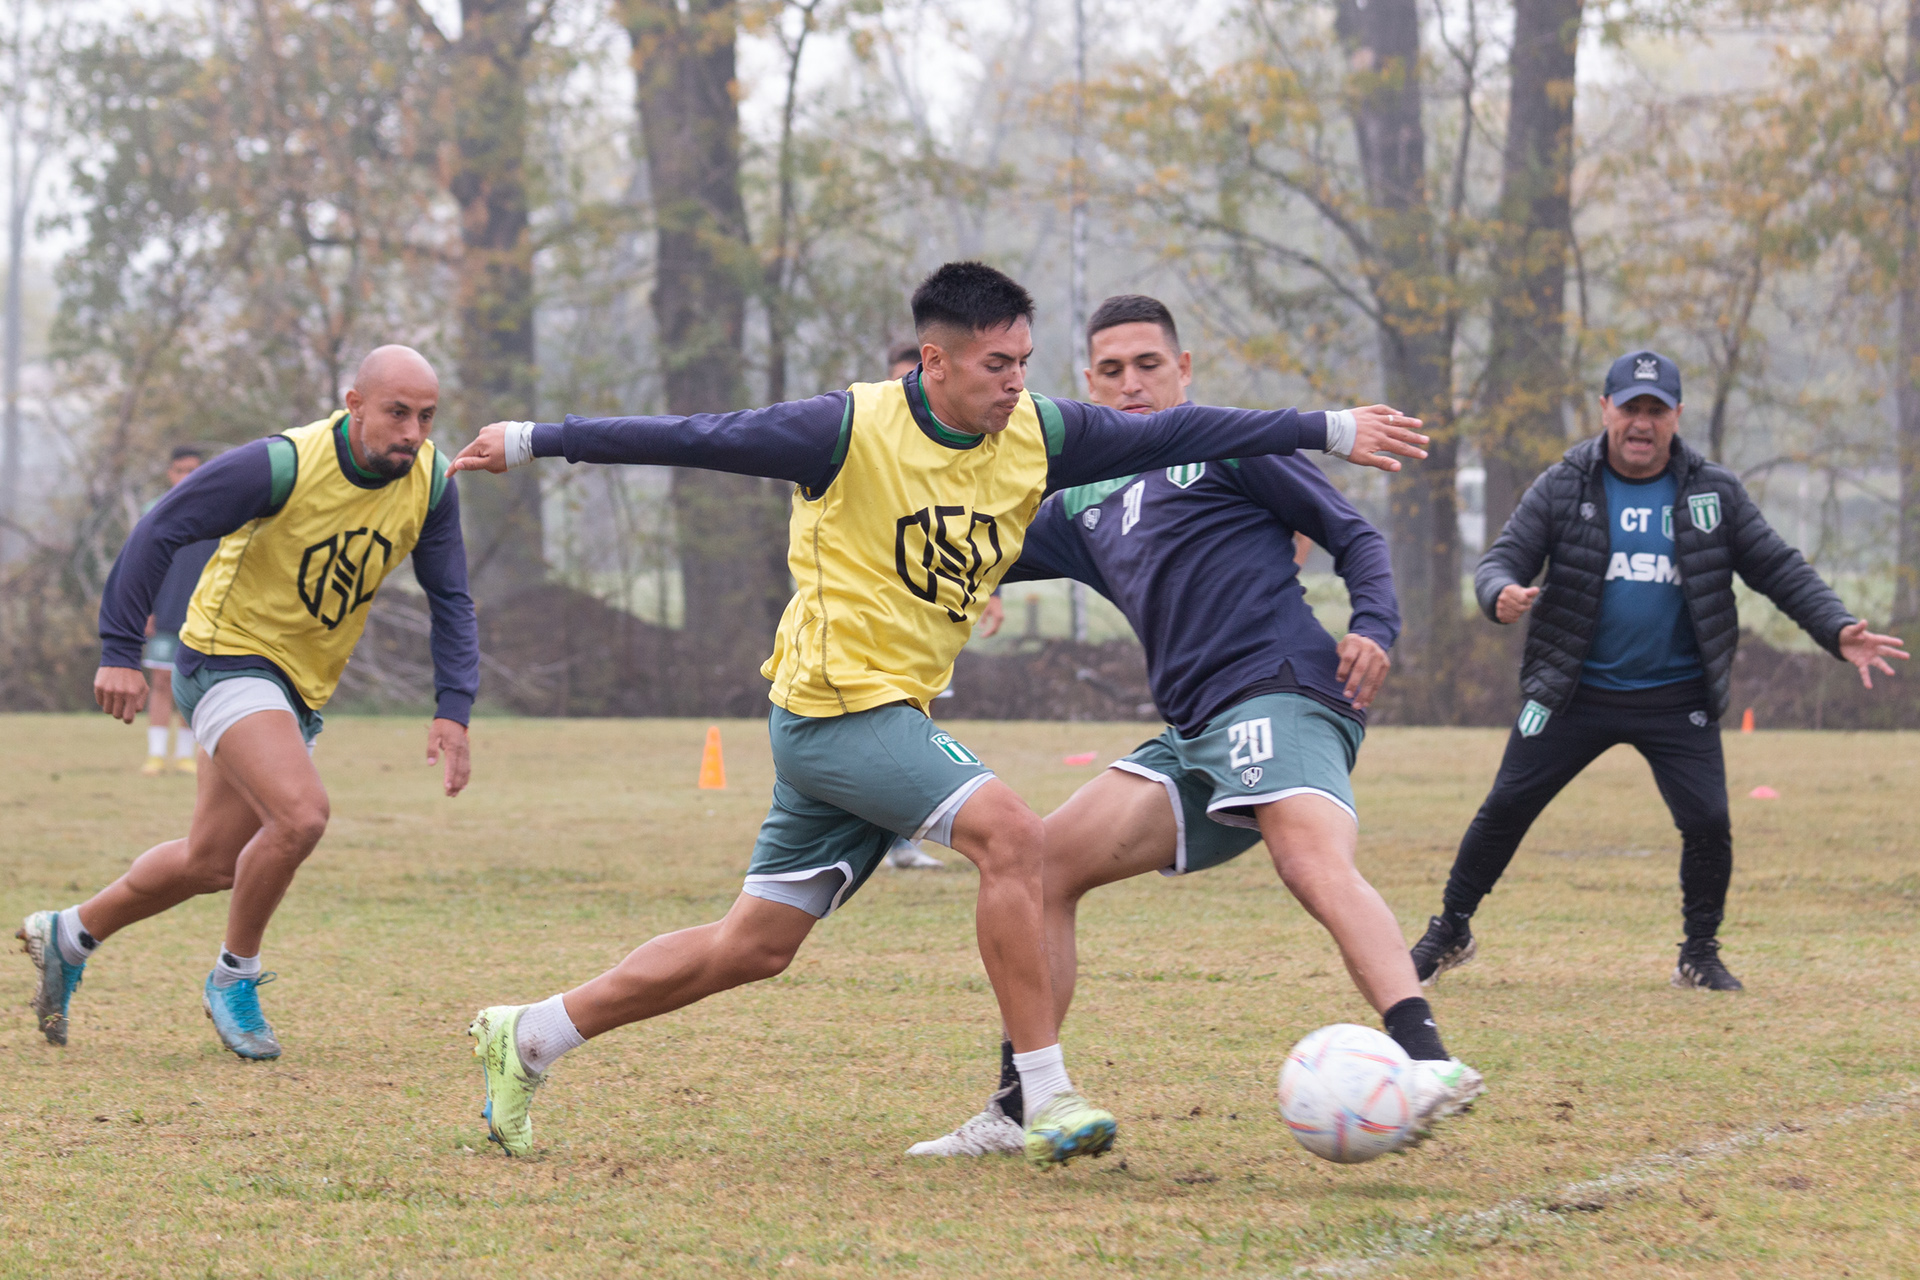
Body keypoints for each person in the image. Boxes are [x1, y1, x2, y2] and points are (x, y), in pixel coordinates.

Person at [449, 261, 1429, 1166]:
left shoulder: (1041, 433)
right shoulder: (847, 428)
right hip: (837, 713)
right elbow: (696, 436)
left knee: (751, 944)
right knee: (1013, 832)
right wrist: (535, 439)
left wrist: (1329, 427)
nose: (1016, 383)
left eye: (1025, 363)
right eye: (996, 364)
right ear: (937, 359)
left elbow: (1180, 431)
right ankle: (1039, 1097)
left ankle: (531, 1030)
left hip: (883, 717)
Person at [906, 294, 1481, 1157]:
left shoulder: (1226, 445)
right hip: (1191, 735)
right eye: (1110, 370)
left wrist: (1374, 625)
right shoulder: (1084, 497)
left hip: (1276, 692)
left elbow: (1355, 535)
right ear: (1089, 384)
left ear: (1183, 371)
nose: (1131, 383)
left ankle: (1428, 1059)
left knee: (1309, 860)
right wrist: (955, 567)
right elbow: (972, 542)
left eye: (1148, 364)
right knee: (1045, 865)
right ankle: (1024, 1100)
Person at [16, 346, 479, 1059]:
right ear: (354, 403)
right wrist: (118, 652)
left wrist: (454, 706)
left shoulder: (432, 484)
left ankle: (69, 934)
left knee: (213, 862)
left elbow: (450, 598)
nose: (413, 432)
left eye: (426, 416)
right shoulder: (280, 464)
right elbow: (160, 527)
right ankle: (235, 975)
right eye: (396, 412)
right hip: (226, 657)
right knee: (300, 816)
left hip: (299, 684)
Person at [1409, 350, 1907, 992]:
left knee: (1707, 822)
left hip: (1676, 698)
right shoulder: (1563, 484)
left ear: (1676, 416)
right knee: (1506, 804)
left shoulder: (1712, 492)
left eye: (1656, 410)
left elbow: (1778, 568)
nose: (1641, 423)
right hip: (1571, 692)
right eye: (1630, 408)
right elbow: (1500, 560)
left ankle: (1699, 952)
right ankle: (1451, 928)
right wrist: (1499, 594)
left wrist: (1837, 629)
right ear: (1605, 410)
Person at [883, 339, 997, 870]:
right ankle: (900, 840)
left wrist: (991, 589)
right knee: (1012, 835)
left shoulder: (967, 452)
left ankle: (894, 838)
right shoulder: (874, 440)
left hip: (925, 629)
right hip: (867, 647)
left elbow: (968, 539)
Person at [139, 446, 221, 775]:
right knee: (161, 681)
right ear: (170, 473)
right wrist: (144, 608)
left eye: (193, 470)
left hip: (204, 614)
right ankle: (156, 754)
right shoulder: (154, 511)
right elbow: (141, 567)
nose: (186, 477)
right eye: (180, 471)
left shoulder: (219, 512)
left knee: (193, 683)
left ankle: (187, 755)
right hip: (164, 612)